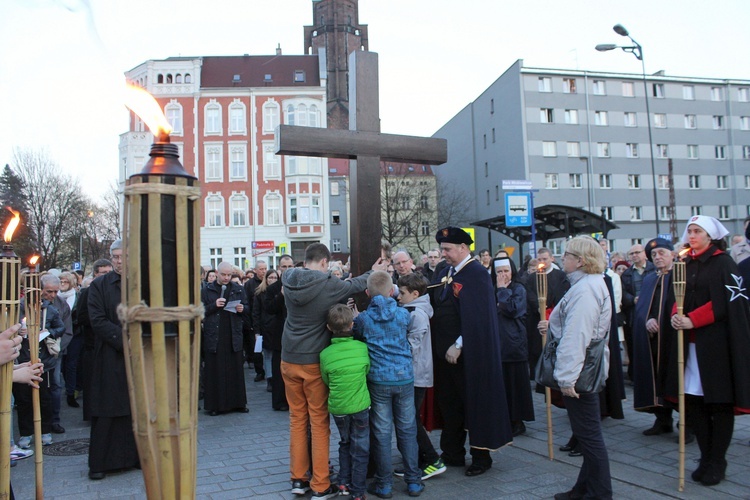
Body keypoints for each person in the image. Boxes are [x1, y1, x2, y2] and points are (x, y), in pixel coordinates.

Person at [281, 243, 386, 499]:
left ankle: (298, 478)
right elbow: (354, 285)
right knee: (318, 422)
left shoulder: (288, 278)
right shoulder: (327, 284)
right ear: (325, 262)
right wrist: (373, 272)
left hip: (288, 359)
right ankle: (320, 484)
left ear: (305, 261)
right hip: (312, 360)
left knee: (297, 420)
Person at [668, 216, 750, 486]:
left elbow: (727, 301)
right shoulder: (685, 262)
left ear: (711, 235)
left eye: (697, 231)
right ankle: (705, 457)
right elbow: (676, 296)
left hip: (715, 345)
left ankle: (718, 460)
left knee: (719, 403)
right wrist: (675, 315)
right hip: (690, 346)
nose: (691, 235)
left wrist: (694, 319)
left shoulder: (723, 262)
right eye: (689, 231)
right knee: (694, 403)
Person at [430, 227, 512, 476]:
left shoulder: (476, 273)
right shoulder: (445, 272)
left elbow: (480, 318)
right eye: (442, 249)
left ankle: (480, 456)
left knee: (474, 403)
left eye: (448, 249)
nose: (444, 254)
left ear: (463, 248)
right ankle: (452, 453)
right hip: (443, 355)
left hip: (468, 355)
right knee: (449, 404)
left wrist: (458, 344)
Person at [538, 236, 613, 500]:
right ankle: (583, 489)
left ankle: (601, 493)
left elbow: (577, 336)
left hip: (580, 371)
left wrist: (567, 378)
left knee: (589, 436)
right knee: (586, 433)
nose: (562, 258)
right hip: (583, 367)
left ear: (581, 260)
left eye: (567, 254)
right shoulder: (587, 285)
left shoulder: (586, 289)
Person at [354, 271, 424, 498]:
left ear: (367, 293)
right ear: (392, 290)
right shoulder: (404, 315)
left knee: (382, 433)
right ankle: (413, 481)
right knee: (407, 430)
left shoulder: (363, 319)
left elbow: (358, 335)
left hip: (378, 380)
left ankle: (384, 484)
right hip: (404, 377)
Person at [87, 239, 140, 480]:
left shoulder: (141, 284)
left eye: (124, 256)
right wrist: (124, 340)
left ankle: (134, 457)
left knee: (134, 407)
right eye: (115, 256)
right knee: (108, 407)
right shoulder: (99, 285)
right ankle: (100, 463)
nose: (119, 261)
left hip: (138, 356)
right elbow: (96, 320)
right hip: (110, 354)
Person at [396, 272, 445, 480]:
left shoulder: (417, 314)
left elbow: (411, 346)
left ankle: (432, 459)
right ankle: (417, 460)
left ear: (415, 293)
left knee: (410, 420)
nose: (398, 297)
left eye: (403, 293)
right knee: (409, 419)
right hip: (414, 373)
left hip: (415, 375)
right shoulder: (413, 309)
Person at [319, 304, 371, 500]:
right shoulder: (361, 348)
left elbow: (326, 379)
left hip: (338, 407)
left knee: (345, 442)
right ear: (352, 324)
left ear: (329, 328)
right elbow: (366, 371)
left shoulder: (325, 354)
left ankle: (343, 482)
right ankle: (358, 491)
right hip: (360, 405)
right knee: (361, 448)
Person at [201, 261, 248, 416]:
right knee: (216, 371)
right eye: (224, 275)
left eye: (229, 275)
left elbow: (247, 308)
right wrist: (214, 305)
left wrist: (242, 309)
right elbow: (200, 311)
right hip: (215, 335)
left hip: (232, 333)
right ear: (217, 273)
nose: (227, 278)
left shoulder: (238, 289)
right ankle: (216, 405)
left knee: (235, 369)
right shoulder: (207, 290)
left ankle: (238, 403)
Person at [494, 257, 534, 437]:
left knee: (516, 384)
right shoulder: (491, 288)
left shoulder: (518, 288)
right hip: (497, 343)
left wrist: (502, 291)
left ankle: (518, 420)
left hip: (513, 343)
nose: (503, 275)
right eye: (499, 271)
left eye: (506, 271)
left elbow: (512, 309)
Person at [75, 258, 112, 422]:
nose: (106, 276)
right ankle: (91, 414)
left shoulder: (111, 290)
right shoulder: (87, 292)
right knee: (91, 382)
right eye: (103, 273)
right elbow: (80, 317)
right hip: (91, 344)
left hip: (108, 343)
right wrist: (99, 321)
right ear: (96, 273)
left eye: (108, 273)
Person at [525, 248, 569, 376]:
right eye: (539, 259)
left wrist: (550, 309)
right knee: (538, 349)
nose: (542, 261)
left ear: (551, 258)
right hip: (537, 317)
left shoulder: (560, 276)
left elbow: (562, 295)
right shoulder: (532, 277)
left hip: (555, 317)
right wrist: (539, 307)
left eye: (545, 259)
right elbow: (530, 294)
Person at [621, 244, 656, 381]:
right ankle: (636, 376)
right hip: (634, 314)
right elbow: (623, 293)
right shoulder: (627, 273)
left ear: (644, 254)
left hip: (652, 311)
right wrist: (632, 299)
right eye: (632, 253)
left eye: (637, 252)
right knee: (634, 346)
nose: (635, 255)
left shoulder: (653, 269)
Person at [252, 269, 280, 395]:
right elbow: (256, 313)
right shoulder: (260, 293)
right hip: (266, 327)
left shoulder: (281, 292)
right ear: (266, 279)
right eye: (270, 278)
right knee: (268, 355)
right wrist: (257, 331)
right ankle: (270, 378)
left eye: (275, 278)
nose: (273, 280)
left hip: (278, 327)